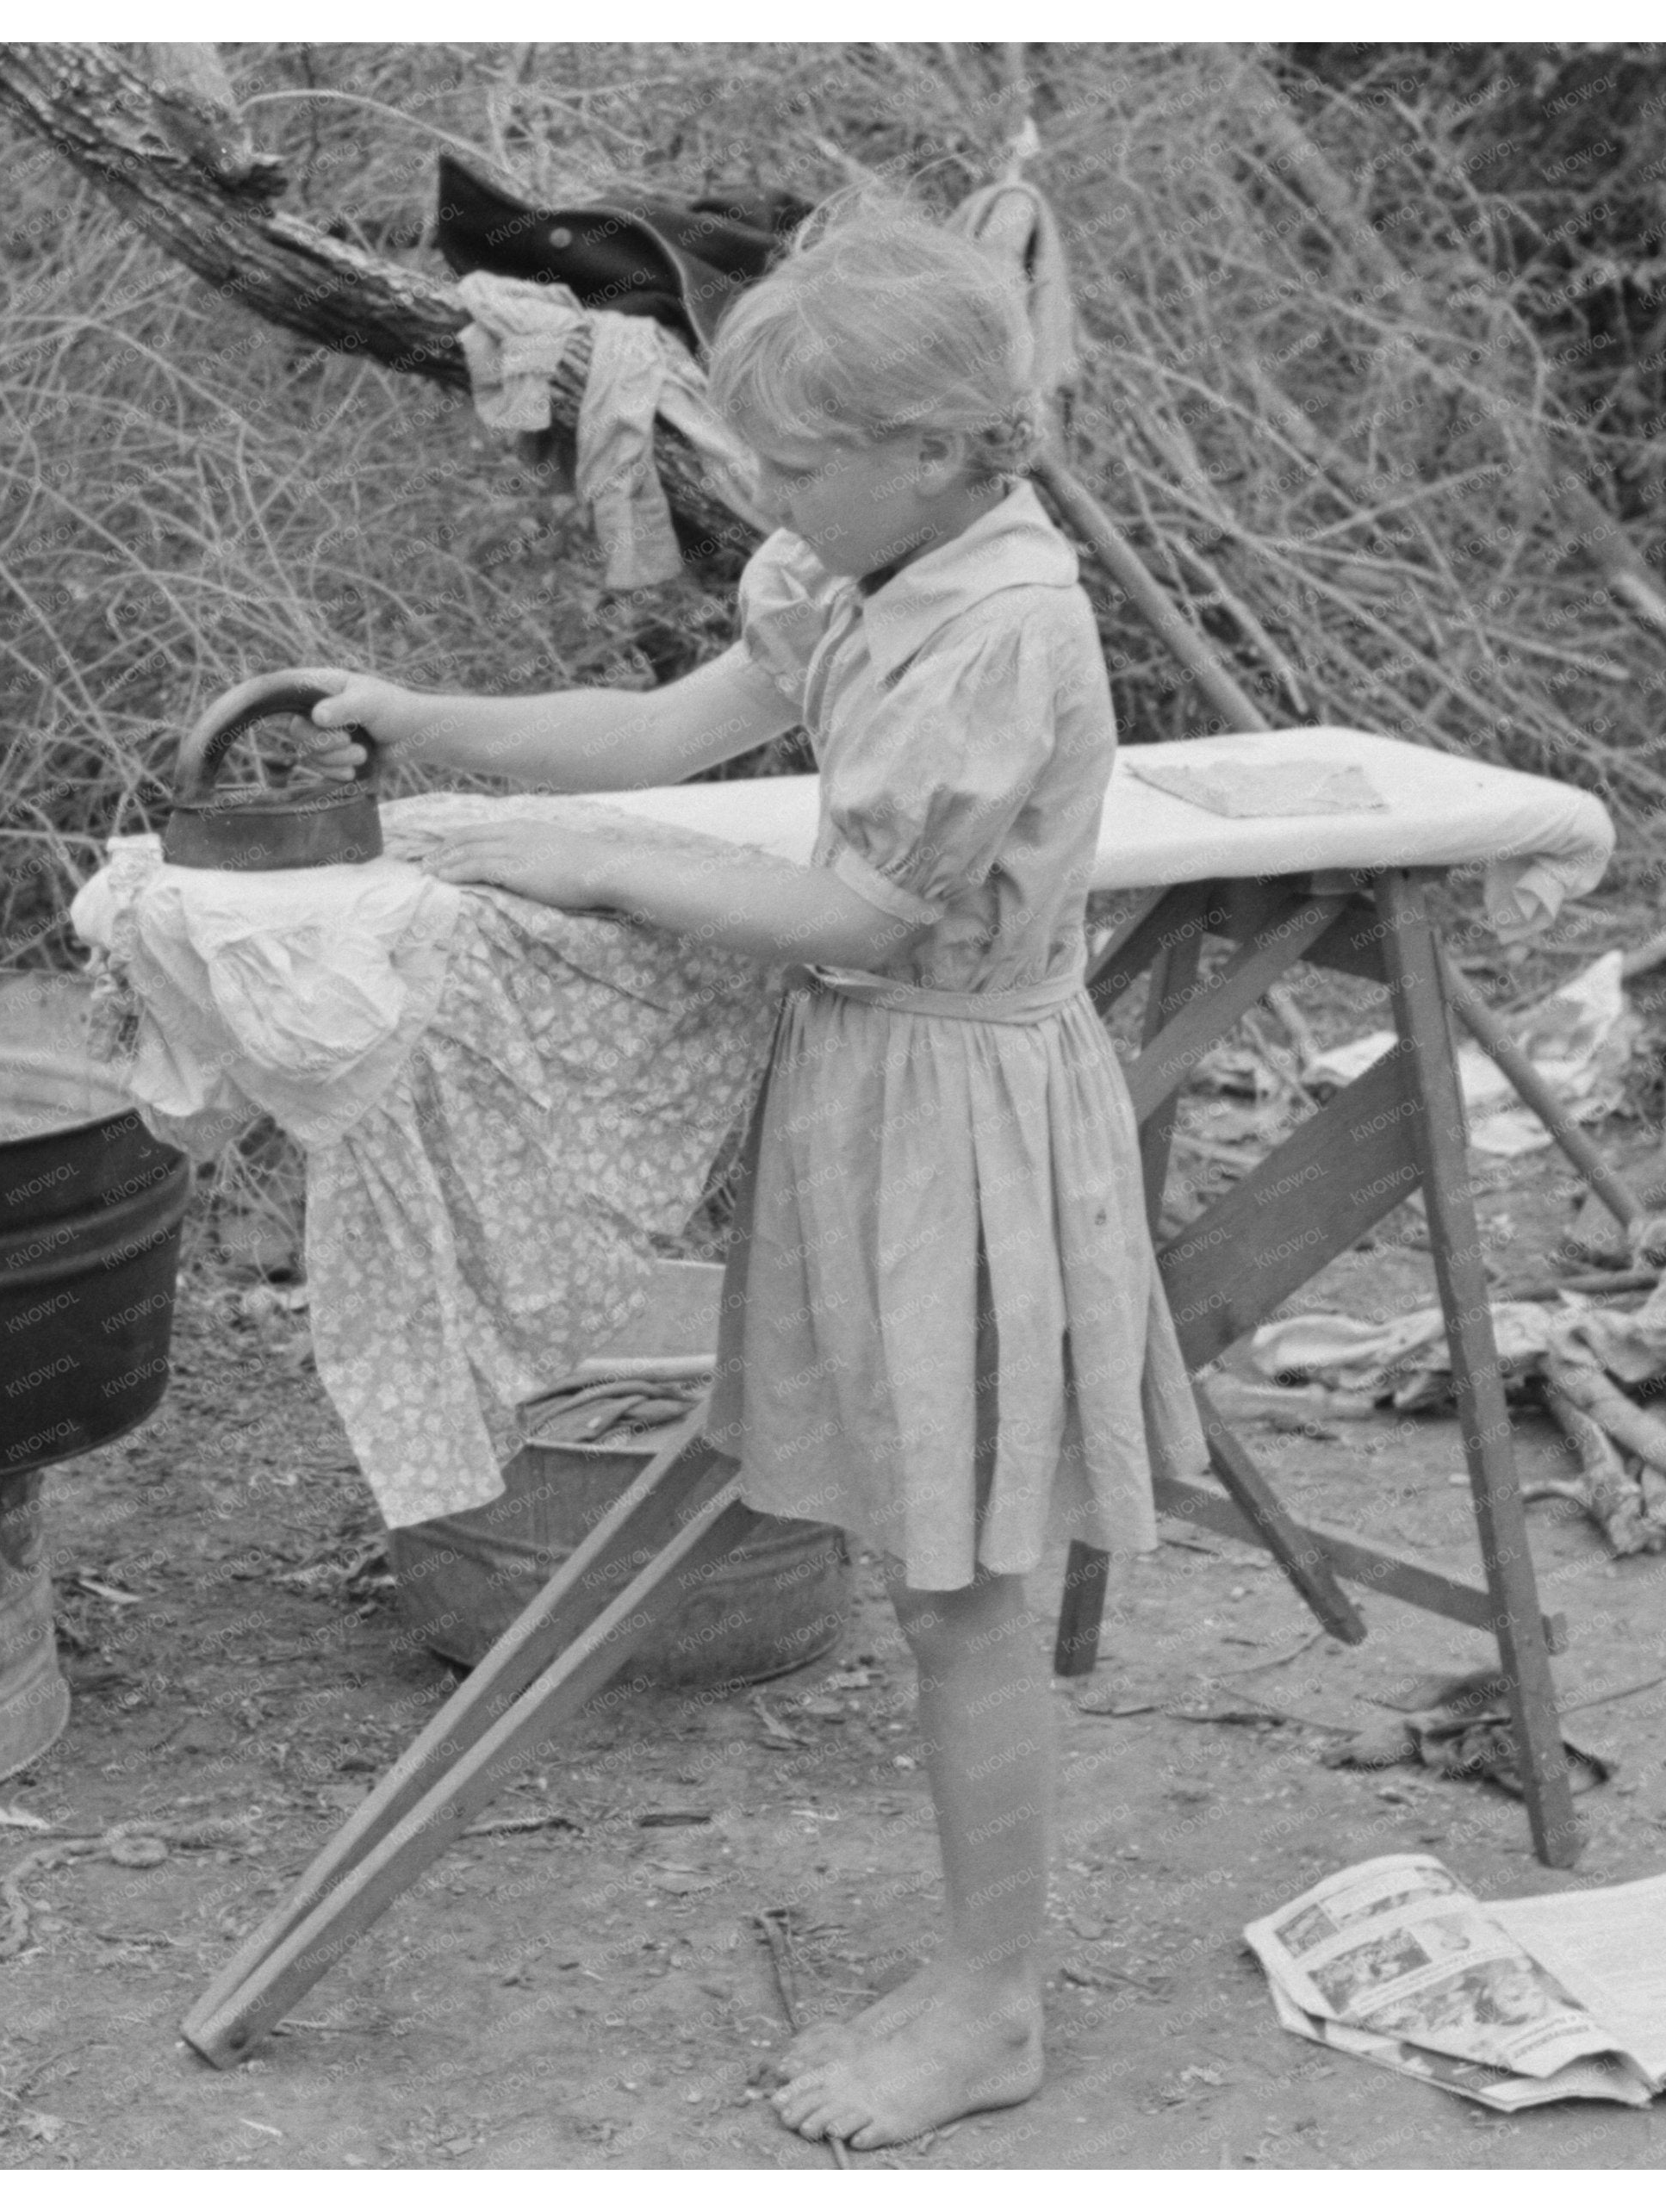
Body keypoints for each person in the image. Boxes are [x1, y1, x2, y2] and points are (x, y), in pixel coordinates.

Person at [291, 199, 1206, 2153]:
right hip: (871, 1099)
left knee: (963, 1576)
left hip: (959, 1112)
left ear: (945, 449)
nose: (769, 498)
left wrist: (608, 864)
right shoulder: (868, 561)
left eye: (798, 467)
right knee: (921, 1545)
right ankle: (976, 1966)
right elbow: (670, 725)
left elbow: (864, 911)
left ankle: (988, 2002)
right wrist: (418, 721)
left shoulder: (1000, 629)